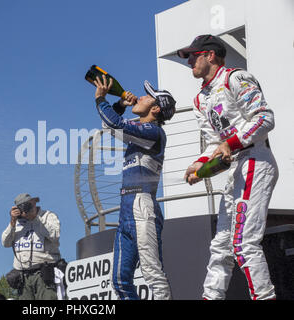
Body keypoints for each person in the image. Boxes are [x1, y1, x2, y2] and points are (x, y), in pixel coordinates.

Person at [178, 34, 278, 300]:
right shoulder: (200, 99)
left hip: (256, 160)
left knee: (244, 244)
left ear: (209, 55)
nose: (189, 61)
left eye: (193, 55)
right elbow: (214, 143)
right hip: (236, 167)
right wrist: (198, 166)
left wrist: (231, 143)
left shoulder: (236, 77)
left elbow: (265, 118)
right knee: (221, 245)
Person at [93, 74, 176, 300]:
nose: (139, 97)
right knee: (120, 281)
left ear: (156, 109)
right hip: (127, 208)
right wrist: (119, 104)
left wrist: (101, 99)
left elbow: (113, 123)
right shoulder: (139, 135)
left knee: (152, 274)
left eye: (147, 97)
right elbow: (109, 126)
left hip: (142, 206)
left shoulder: (154, 132)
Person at [1, 193, 61, 300]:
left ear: (34, 204)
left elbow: (55, 235)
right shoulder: (17, 222)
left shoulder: (47, 216)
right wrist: (12, 222)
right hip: (23, 277)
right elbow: (5, 243)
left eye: (29, 205)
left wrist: (36, 218)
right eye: (23, 207)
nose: (27, 210)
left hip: (44, 274)